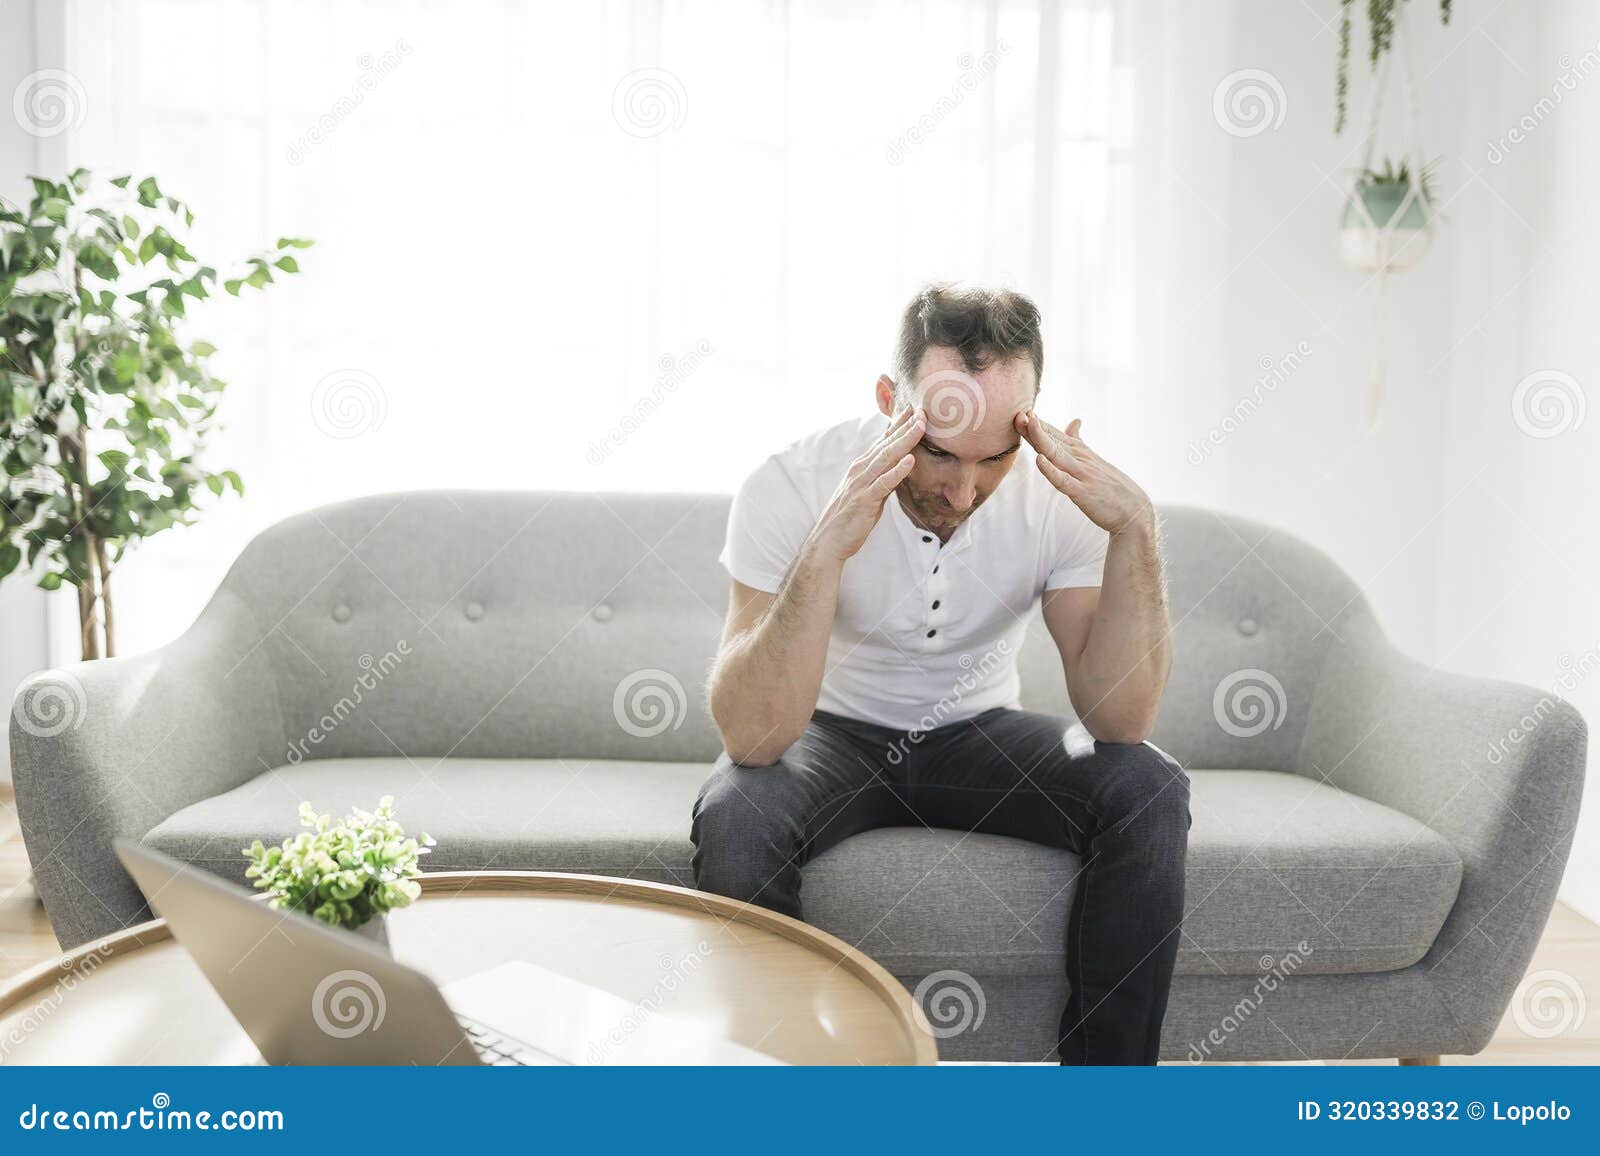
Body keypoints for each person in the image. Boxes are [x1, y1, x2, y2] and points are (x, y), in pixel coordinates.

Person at [692, 283, 1188, 1064]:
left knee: (1148, 784)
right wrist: (826, 548)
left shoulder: (1060, 499)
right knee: (737, 808)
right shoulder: (790, 484)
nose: (963, 492)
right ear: (893, 402)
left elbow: (1121, 722)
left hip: (978, 736)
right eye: (939, 453)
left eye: (995, 458)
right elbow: (754, 736)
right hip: (829, 738)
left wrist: (1136, 528)